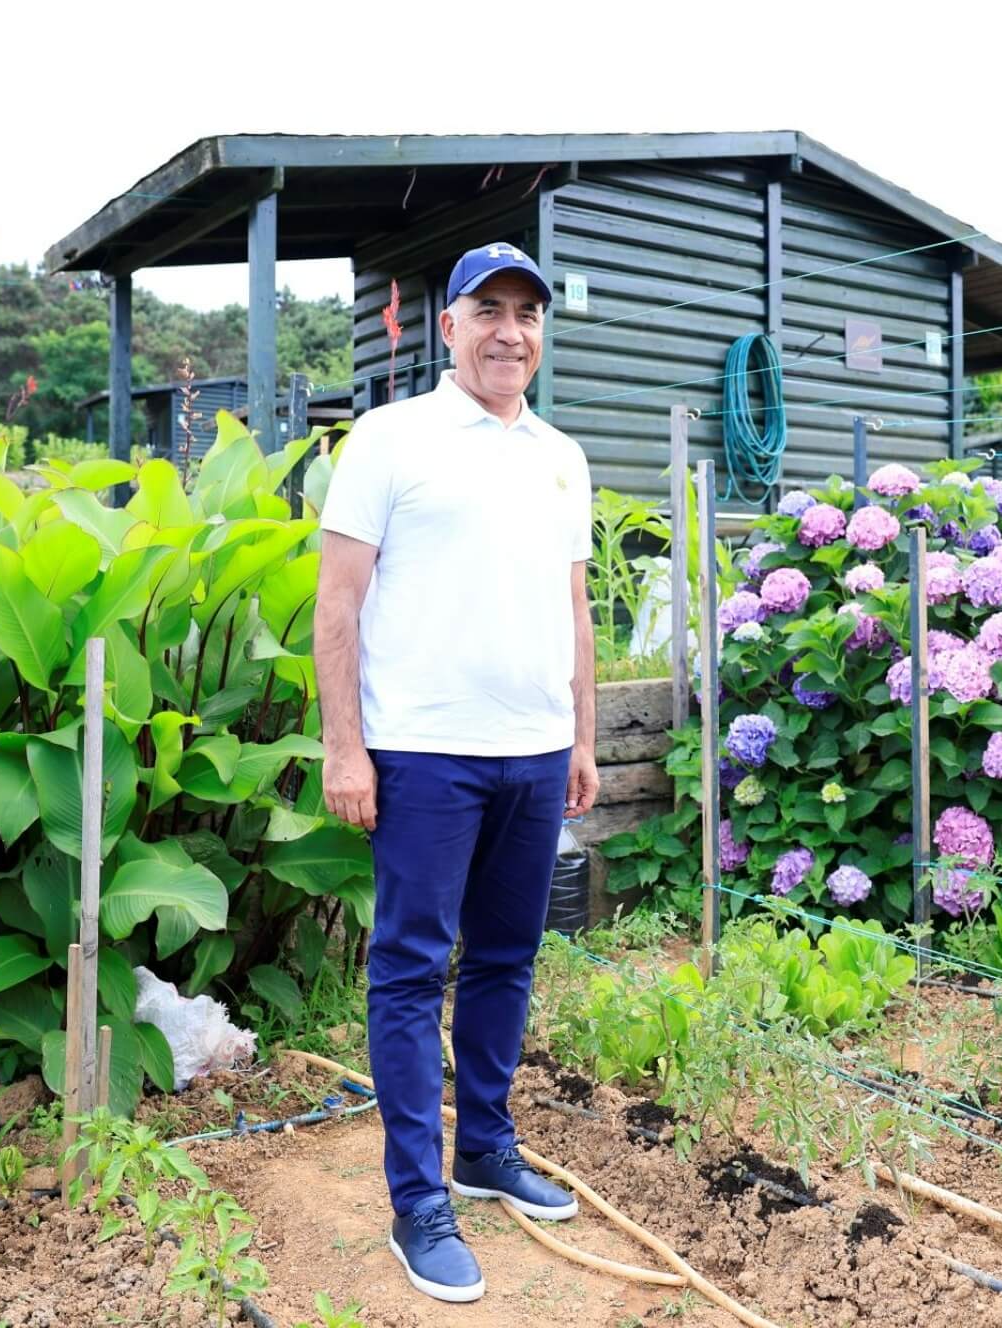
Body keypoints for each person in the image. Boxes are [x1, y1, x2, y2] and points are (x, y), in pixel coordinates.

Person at [313, 242, 599, 1304]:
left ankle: (483, 1147)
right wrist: (346, 745)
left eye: (527, 313)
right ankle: (415, 1198)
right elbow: (336, 604)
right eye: (489, 310)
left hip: (530, 751)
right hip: (425, 751)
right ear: (448, 324)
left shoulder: (560, 455)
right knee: (408, 968)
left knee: (506, 959)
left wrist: (577, 736)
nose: (510, 331)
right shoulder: (390, 440)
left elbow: (570, 609)